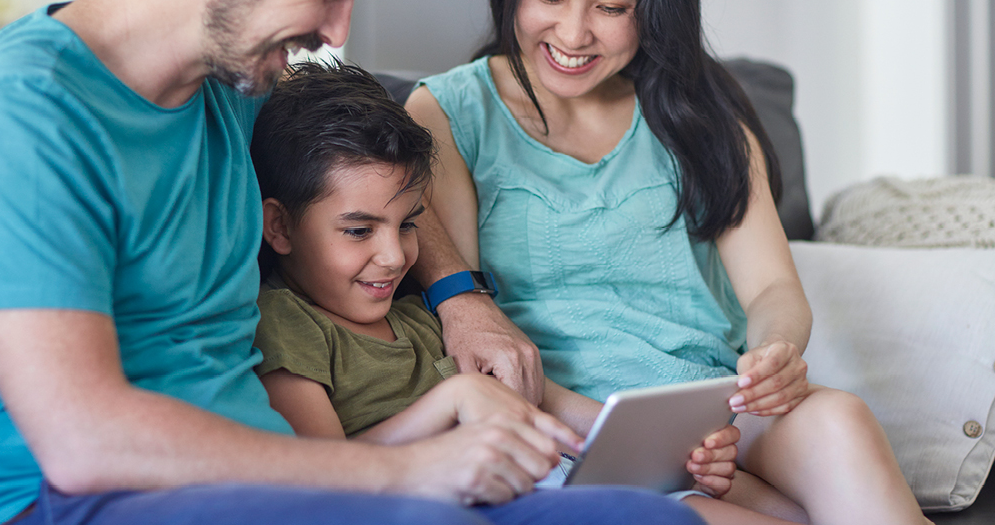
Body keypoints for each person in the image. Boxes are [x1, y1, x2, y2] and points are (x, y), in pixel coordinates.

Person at [0, 0, 706, 525]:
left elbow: (374, 183)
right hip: (61, 499)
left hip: (258, 486)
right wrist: (410, 472)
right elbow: (83, 442)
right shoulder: (25, 120)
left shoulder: (233, 96)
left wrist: (462, 300)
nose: (334, 32)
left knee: (640, 514)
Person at [405, 0, 931, 525]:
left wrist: (772, 354)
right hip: (566, 425)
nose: (571, 32)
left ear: (654, 5)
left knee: (840, 421)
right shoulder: (449, 114)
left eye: (612, 6)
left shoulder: (703, 115)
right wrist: (647, 444)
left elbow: (772, 291)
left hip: (714, 411)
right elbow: (475, 333)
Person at [247, 61, 744, 505]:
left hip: (558, 481)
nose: (395, 256)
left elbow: (546, 403)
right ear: (282, 228)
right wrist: (451, 401)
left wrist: (676, 450)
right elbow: (322, 471)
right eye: (359, 230)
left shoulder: (420, 315)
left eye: (407, 223)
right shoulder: (288, 323)